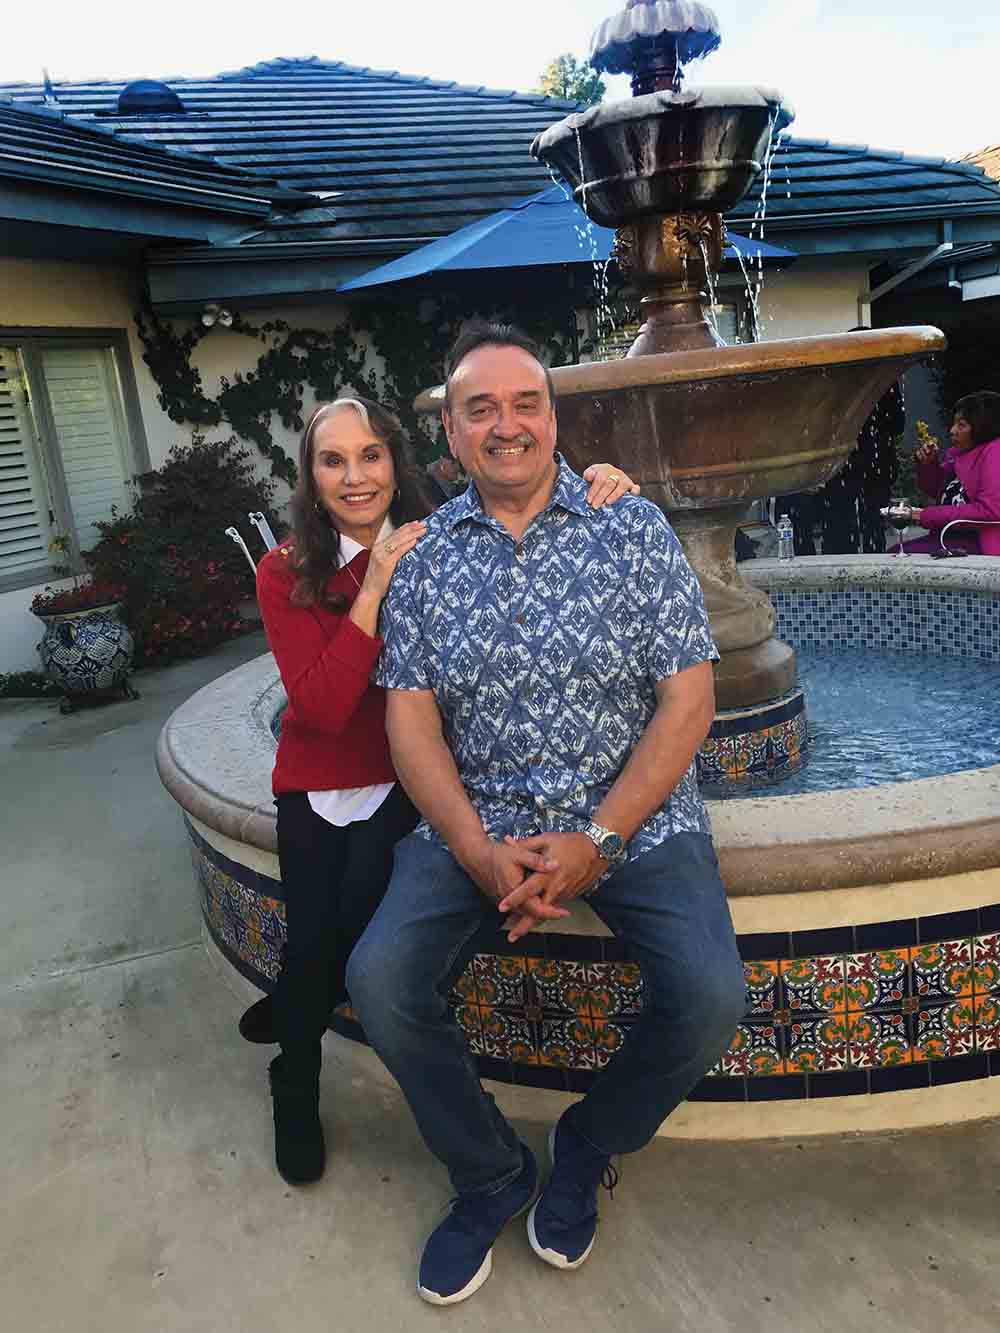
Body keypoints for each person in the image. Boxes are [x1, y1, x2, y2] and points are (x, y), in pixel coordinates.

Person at [346, 324, 747, 1306]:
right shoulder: (425, 560)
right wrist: (478, 850)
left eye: (524, 402)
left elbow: (687, 701)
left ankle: (588, 1138)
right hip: (481, 821)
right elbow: (412, 725)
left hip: (634, 825)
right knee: (382, 977)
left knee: (710, 997)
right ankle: (489, 1172)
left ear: (554, 418)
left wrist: (599, 840)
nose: (506, 424)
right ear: (451, 430)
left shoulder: (632, 527)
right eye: (479, 408)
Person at [246, 390, 640, 1185]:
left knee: (359, 942)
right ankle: (295, 1073)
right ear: (310, 476)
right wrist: (372, 587)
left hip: (405, 786)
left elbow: (524, 514)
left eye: (371, 455)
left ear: (396, 459)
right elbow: (319, 710)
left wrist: (604, 481)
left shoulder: (443, 540)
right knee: (321, 938)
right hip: (320, 782)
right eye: (333, 460)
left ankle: (296, 999)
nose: (355, 476)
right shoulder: (285, 572)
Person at [902, 391, 1000, 555]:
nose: (952, 430)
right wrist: (928, 465)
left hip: (978, 544)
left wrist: (923, 515)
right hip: (947, 538)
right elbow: (936, 491)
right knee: (895, 555)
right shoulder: (958, 453)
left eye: (961, 425)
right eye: (954, 424)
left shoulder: (995, 451)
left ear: (983, 427)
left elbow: (991, 510)